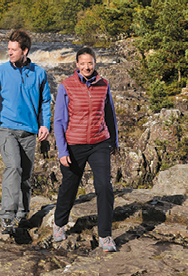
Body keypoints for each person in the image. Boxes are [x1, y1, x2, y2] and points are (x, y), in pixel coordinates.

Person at [0, 29, 52, 235]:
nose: (9, 52)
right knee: (13, 168)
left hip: (29, 131)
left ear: (25, 50)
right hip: (6, 128)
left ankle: (22, 215)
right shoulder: (0, 71)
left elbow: (45, 101)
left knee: (25, 176)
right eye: (8, 49)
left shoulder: (39, 73)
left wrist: (44, 124)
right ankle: (7, 217)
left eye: (13, 49)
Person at [52, 46, 119, 252]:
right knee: (69, 187)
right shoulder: (66, 86)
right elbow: (59, 120)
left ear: (95, 63)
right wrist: (62, 151)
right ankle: (59, 224)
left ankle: (105, 236)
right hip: (75, 144)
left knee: (104, 187)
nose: (87, 67)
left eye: (90, 63)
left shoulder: (103, 85)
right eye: (83, 63)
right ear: (77, 65)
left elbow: (110, 115)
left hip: (99, 143)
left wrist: (114, 141)